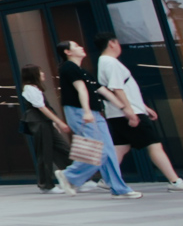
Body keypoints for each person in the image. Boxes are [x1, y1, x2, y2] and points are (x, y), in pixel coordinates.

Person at [94, 33, 183, 192]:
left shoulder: (104, 62)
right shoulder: (110, 62)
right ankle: (175, 181)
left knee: (120, 148)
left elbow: (125, 89)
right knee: (154, 145)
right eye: (117, 43)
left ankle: (107, 179)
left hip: (118, 113)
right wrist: (130, 111)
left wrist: (143, 107)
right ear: (112, 43)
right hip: (127, 113)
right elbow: (117, 88)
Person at [55, 40, 138, 198]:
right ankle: (69, 175)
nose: (81, 47)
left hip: (93, 113)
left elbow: (103, 91)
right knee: (97, 151)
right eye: (76, 46)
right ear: (67, 52)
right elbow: (82, 90)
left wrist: (125, 109)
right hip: (79, 111)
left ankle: (119, 188)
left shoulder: (83, 70)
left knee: (108, 152)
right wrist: (86, 112)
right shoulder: (69, 67)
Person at [19, 64, 71, 193]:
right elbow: (41, 107)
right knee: (44, 153)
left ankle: (75, 178)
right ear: (34, 75)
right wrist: (59, 122)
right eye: (40, 72)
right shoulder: (29, 89)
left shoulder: (35, 88)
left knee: (63, 149)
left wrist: (53, 123)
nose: (43, 74)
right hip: (39, 122)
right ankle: (46, 185)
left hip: (44, 122)